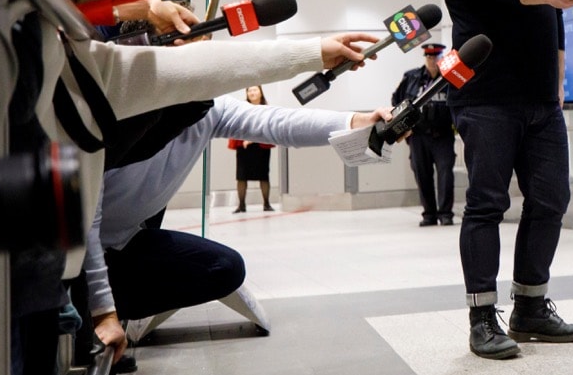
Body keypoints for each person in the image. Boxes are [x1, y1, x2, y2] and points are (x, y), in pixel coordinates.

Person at [436, 0, 573, 360]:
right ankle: (482, 316)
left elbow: (554, 13)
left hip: (541, 99)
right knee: (487, 204)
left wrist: (560, 72)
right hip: (485, 98)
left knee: (551, 201)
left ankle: (530, 306)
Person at [85, 95, 391, 360]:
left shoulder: (208, 108)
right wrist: (103, 311)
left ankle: (112, 317)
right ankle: (90, 320)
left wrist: (356, 121)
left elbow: (278, 123)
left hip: (123, 242)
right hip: (74, 248)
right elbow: (84, 219)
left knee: (224, 268)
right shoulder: (125, 111)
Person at [393, 42, 457, 226]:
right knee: (422, 174)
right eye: (429, 57)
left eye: (435, 56)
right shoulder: (412, 78)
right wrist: (404, 128)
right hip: (418, 136)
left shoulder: (449, 79)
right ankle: (429, 214)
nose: (432, 60)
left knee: (446, 174)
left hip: (443, 135)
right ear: (425, 58)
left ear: (441, 58)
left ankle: (446, 214)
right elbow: (397, 101)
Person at [231, 85, 274, 213]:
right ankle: (241, 205)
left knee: (264, 176)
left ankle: (266, 204)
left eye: (255, 90)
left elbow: (268, 127)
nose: (252, 92)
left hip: (261, 146)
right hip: (244, 147)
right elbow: (238, 126)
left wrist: (253, 139)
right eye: (250, 90)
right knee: (241, 176)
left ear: (261, 92)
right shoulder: (242, 108)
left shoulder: (267, 108)